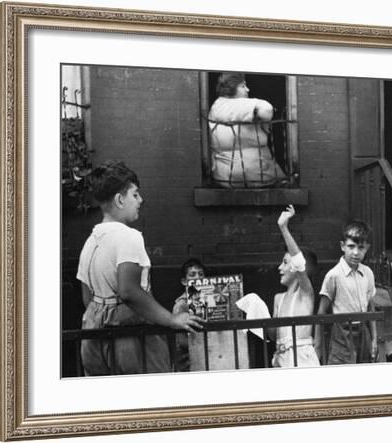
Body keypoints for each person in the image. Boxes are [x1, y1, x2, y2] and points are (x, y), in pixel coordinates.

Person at [76, 160, 202, 376]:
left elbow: (87, 297)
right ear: (119, 199)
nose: (140, 200)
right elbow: (128, 291)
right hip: (131, 341)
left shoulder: (91, 241)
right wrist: (172, 319)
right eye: (135, 195)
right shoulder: (129, 236)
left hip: (93, 341)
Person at [314, 220, 378, 365]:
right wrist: (317, 346)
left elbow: (370, 307)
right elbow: (321, 312)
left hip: (363, 332)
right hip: (342, 333)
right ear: (342, 246)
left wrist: (374, 339)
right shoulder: (334, 275)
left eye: (361, 247)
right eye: (351, 246)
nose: (356, 252)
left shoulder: (368, 273)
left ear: (367, 248)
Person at [208, 72, 285, 188]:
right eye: (243, 86)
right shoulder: (242, 105)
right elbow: (266, 111)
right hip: (258, 176)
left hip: (224, 176)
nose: (248, 90)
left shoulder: (216, 106)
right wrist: (257, 109)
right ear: (231, 87)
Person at [267, 205, 320, 368]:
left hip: (302, 359)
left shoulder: (305, 294)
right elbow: (273, 336)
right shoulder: (279, 299)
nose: (279, 268)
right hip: (281, 358)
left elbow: (298, 262)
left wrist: (283, 228)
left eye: (284, 263)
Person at [172, 258, 206, 371]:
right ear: (184, 281)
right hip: (188, 363)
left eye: (201, 274)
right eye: (192, 274)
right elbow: (181, 341)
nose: (197, 277)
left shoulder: (206, 301)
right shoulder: (181, 305)